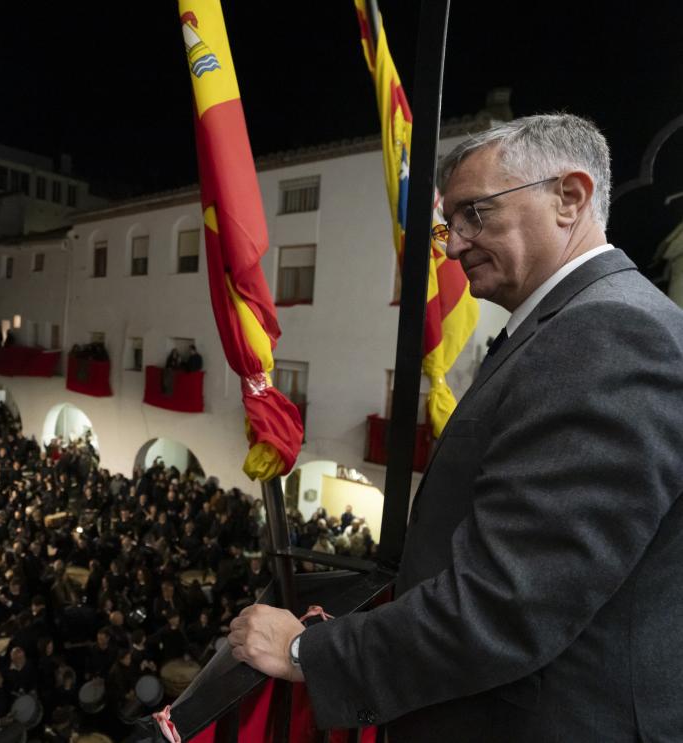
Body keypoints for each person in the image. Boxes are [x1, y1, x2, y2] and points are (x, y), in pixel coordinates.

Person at [227, 113, 683, 741]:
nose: (453, 244)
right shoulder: (575, 324)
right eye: (450, 223)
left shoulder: (605, 335)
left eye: (476, 213)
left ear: (569, 198)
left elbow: (510, 602)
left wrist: (308, 653)